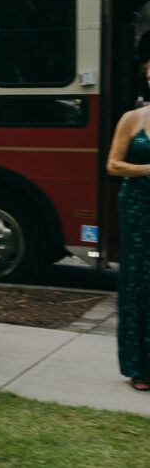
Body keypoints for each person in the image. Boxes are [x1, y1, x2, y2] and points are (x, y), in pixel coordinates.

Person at [106, 74, 150, 391]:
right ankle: (140, 367)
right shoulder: (132, 119)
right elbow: (113, 165)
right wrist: (148, 169)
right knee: (138, 281)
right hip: (137, 206)